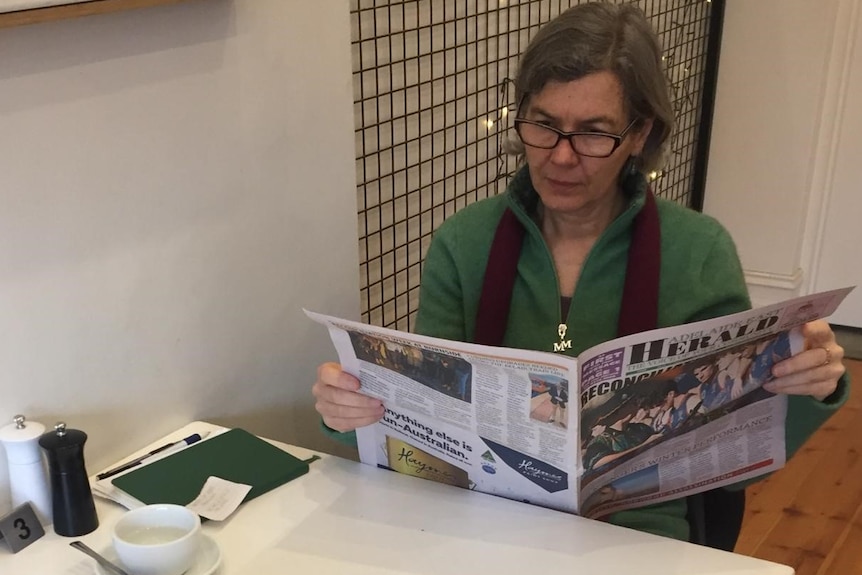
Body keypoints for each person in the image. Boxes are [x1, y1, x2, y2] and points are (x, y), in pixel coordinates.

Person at [312, 1, 849, 549]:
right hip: (479, 525)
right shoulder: (464, 242)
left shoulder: (699, 251)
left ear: (640, 134)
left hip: (641, 539)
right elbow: (426, 426)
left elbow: (740, 466)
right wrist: (352, 410)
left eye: (594, 133)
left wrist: (807, 384)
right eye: (544, 125)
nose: (562, 158)